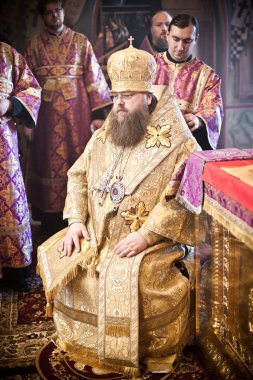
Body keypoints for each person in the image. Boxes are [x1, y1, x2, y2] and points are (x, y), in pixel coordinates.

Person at [37, 39, 198, 377]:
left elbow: (182, 198)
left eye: (127, 97)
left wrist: (146, 235)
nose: (119, 105)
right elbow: (78, 175)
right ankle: (91, 346)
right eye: (115, 97)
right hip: (97, 235)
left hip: (150, 242)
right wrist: (77, 220)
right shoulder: (109, 129)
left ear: (148, 97)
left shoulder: (180, 142)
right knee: (69, 264)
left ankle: (154, 351)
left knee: (140, 280)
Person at [25, 0, 112, 235]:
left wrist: (98, 116)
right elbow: (27, 86)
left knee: (78, 158)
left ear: (63, 11)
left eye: (58, 10)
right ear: (43, 17)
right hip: (45, 118)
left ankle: (79, 216)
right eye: (49, 12)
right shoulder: (33, 46)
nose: (55, 15)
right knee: (47, 164)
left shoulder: (80, 42)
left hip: (78, 116)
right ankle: (49, 221)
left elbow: (94, 79)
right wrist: (27, 121)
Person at [0, 41, 41, 289]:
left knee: (10, 201)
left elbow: (31, 89)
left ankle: (15, 271)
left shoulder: (7, 53)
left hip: (3, 145)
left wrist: (9, 105)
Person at [153, 14, 223, 150]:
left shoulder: (207, 76)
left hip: (187, 147)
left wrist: (199, 121)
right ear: (167, 35)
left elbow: (214, 109)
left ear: (195, 39)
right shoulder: (150, 66)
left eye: (187, 41)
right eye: (176, 39)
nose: (180, 47)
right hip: (152, 145)